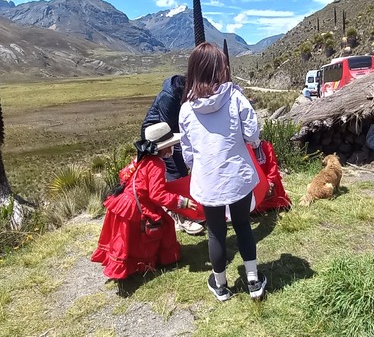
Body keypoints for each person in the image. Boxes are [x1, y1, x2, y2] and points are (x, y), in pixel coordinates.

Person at [179, 42, 267, 302]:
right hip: (236, 176)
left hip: (208, 180)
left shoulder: (186, 109)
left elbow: (187, 152)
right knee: (242, 226)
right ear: (220, 69)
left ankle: (220, 285)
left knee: (215, 231)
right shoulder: (235, 97)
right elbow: (252, 134)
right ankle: (253, 281)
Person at [91, 122, 199, 280]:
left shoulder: (141, 159)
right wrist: (183, 202)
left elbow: (124, 175)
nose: (171, 150)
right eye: (169, 146)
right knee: (163, 226)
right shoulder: (156, 165)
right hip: (136, 207)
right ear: (161, 148)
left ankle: (130, 265)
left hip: (123, 203)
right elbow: (157, 194)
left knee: (126, 238)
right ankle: (151, 261)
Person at [141, 75, 204, 236]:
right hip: (159, 138)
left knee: (180, 171)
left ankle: (180, 211)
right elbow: (168, 129)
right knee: (176, 172)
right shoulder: (168, 98)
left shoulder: (187, 91)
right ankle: (181, 217)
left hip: (172, 135)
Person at [253, 140, 291, 213]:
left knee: (275, 181)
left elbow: (272, 165)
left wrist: (270, 181)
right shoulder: (244, 150)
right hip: (255, 182)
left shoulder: (266, 146)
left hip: (269, 179)